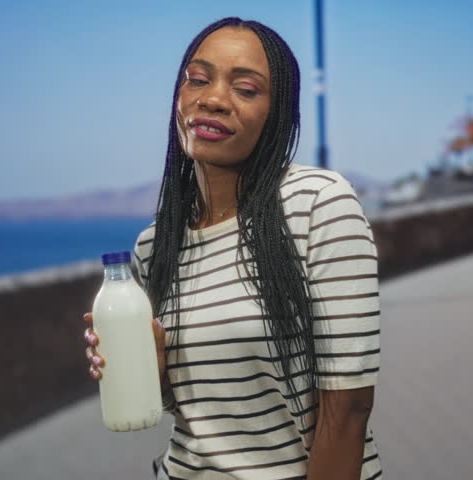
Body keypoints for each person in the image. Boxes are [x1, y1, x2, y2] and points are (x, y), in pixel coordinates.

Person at [83, 17, 381, 480]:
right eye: (197, 80)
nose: (213, 99)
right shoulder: (153, 245)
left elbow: (348, 410)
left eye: (245, 89)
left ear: (276, 113)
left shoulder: (319, 203)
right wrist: (148, 367)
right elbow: (184, 407)